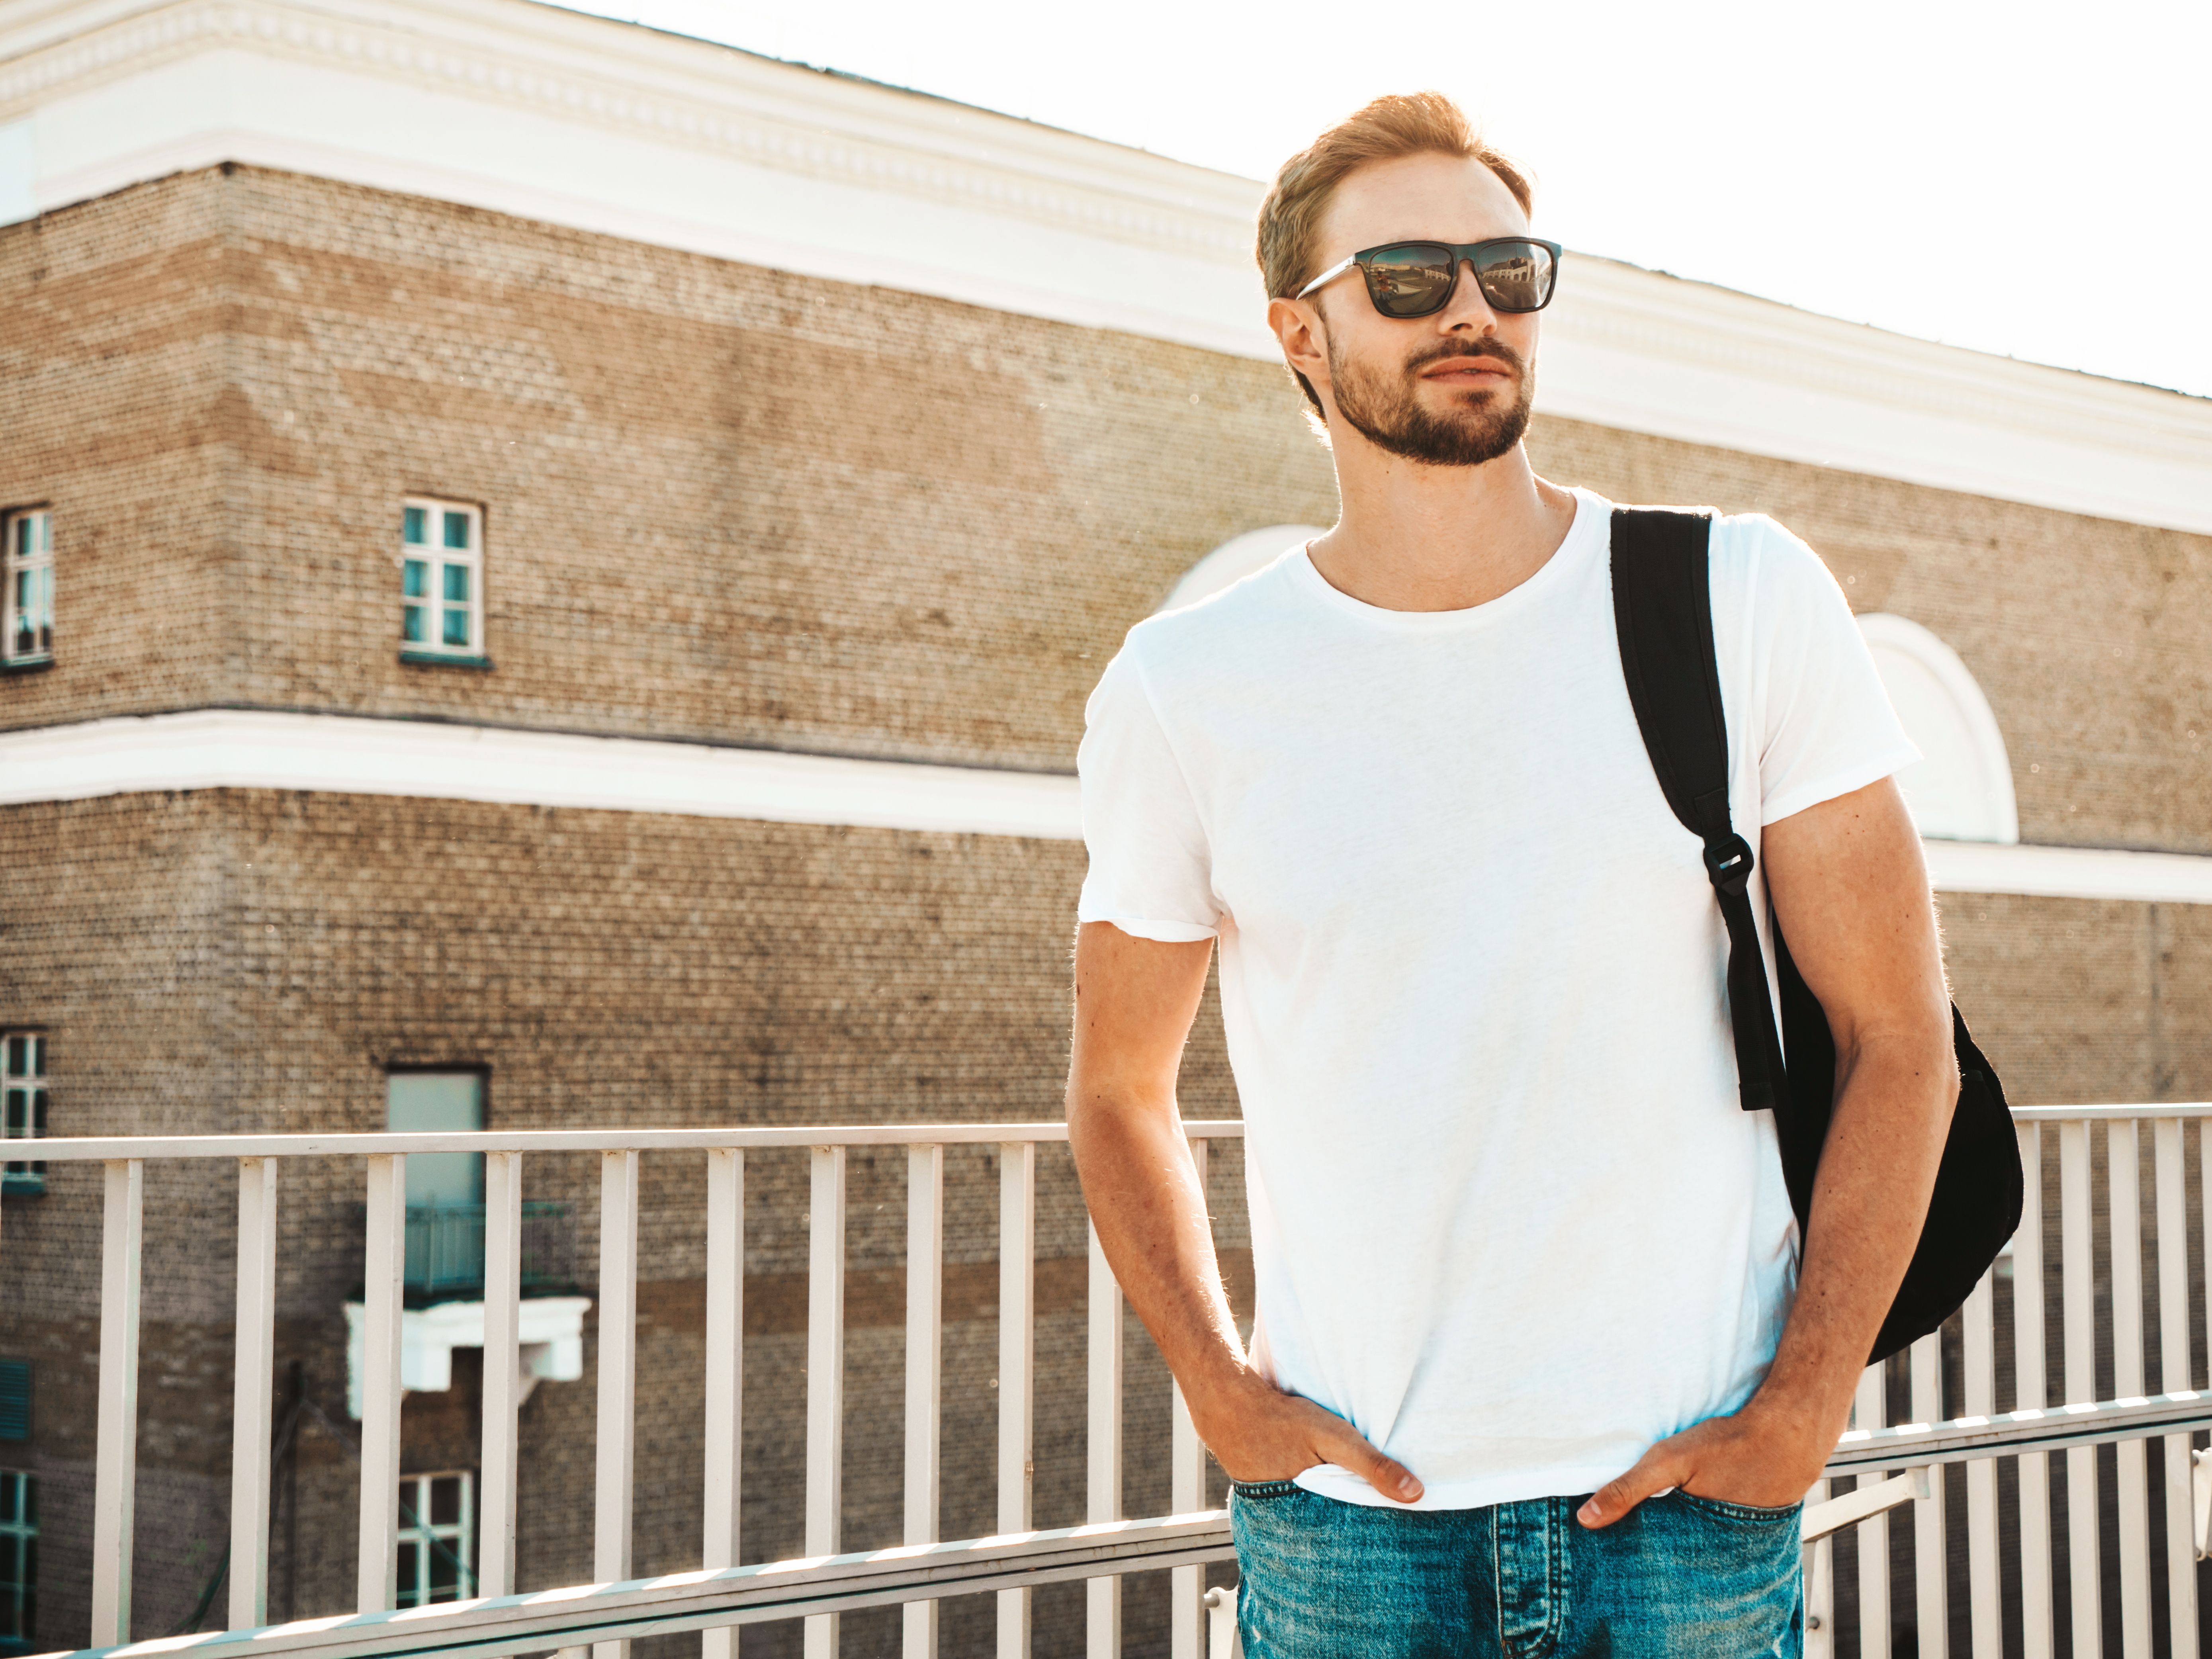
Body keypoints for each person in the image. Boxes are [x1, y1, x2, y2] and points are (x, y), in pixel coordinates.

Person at [1065, 91, 1956, 1657]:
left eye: (1509, 270)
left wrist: (1800, 1414)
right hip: (1353, 1537)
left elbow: (1901, 1037)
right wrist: (1220, 1385)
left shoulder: (1738, 600)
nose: (1472, 309)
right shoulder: (1185, 684)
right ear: (1299, 331)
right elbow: (1119, 1084)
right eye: (1409, 275)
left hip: (1683, 1516)